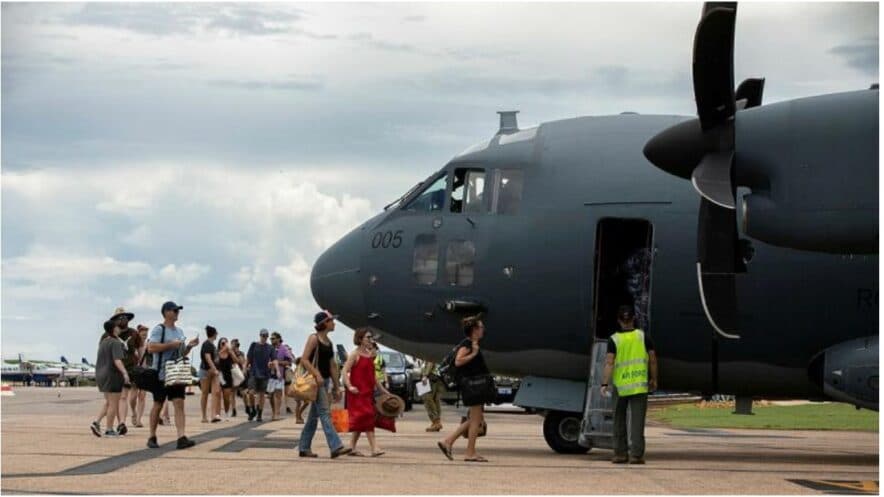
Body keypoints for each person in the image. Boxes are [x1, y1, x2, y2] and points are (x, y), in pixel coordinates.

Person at [601, 305, 657, 464]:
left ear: (619, 320)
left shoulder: (614, 339)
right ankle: (636, 455)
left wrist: (604, 383)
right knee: (637, 421)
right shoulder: (643, 336)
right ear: (634, 319)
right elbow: (652, 359)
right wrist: (654, 379)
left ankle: (620, 454)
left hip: (621, 386)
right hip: (640, 385)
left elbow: (609, 362)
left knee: (618, 420)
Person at [297, 310, 351, 458]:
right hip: (316, 382)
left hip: (325, 381)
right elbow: (304, 359)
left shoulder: (328, 342)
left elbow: (332, 365)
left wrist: (336, 385)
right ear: (324, 323)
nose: (334, 323)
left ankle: (304, 447)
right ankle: (336, 446)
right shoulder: (314, 339)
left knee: (313, 416)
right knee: (325, 413)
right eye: (331, 320)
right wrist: (317, 374)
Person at [146, 301, 199, 450]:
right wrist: (170, 345)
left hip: (177, 372)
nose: (177, 313)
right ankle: (152, 436)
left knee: (179, 404)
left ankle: (181, 437)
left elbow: (181, 352)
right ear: (166, 312)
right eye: (175, 310)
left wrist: (189, 346)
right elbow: (151, 348)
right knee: (158, 404)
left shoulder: (180, 331)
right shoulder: (159, 329)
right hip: (161, 373)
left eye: (178, 310)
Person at [437, 316, 490, 463]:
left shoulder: (471, 343)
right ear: (474, 330)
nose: (483, 330)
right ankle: (469, 452)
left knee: (475, 418)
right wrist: (473, 354)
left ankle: (448, 441)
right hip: (474, 386)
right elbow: (458, 361)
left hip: (475, 385)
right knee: (475, 420)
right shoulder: (467, 344)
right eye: (481, 327)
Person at [342, 328, 391, 457]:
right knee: (368, 417)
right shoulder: (354, 355)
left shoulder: (370, 355)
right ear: (360, 339)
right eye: (368, 338)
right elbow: (344, 371)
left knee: (361, 421)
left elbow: (373, 377)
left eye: (371, 338)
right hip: (357, 393)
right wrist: (350, 386)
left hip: (368, 393)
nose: (371, 340)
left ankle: (351, 447)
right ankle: (374, 448)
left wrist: (384, 391)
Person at [93, 319, 131, 437]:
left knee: (109, 402)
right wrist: (125, 373)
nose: (119, 328)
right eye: (117, 327)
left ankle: (96, 422)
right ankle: (109, 429)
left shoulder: (104, 341)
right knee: (114, 404)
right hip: (112, 375)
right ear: (114, 329)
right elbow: (117, 360)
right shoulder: (115, 342)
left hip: (101, 375)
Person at [245, 329, 273, 422]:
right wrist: (244, 368)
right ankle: (252, 409)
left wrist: (273, 365)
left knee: (261, 394)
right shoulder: (253, 345)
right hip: (253, 372)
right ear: (260, 335)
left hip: (265, 373)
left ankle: (259, 414)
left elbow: (274, 359)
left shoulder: (270, 347)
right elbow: (248, 358)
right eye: (263, 335)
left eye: (266, 336)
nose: (264, 337)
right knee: (251, 393)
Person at [199, 325, 222, 423]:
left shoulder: (212, 345)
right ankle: (204, 416)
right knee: (205, 393)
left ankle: (213, 415)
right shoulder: (207, 344)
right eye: (216, 333)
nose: (217, 335)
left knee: (216, 392)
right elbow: (208, 358)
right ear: (214, 334)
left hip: (213, 371)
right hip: (206, 371)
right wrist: (214, 369)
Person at [268, 332, 293, 421]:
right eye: (271, 339)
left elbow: (289, 362)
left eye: (273, 338)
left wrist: (278, 363)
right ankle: (274, 411)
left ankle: (277, 413)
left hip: (280, 375)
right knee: (270, 395)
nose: (271, 340)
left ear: (278, 339)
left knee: (278, 395)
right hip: (269, 375)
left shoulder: (284, 349)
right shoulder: (269, 348)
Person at [130, 325, 149, 427]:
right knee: (133, 396)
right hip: (135, 371)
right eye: (143, 334)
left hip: (145, 371)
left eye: (146, 334)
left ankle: (138, 419)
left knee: (142, 396)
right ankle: (133, 412)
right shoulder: (134, 345)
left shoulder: (148, 344)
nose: (144, 336)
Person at [419, 359, 444, 432]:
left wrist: (425, 375)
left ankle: (436, 422)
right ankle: (436, 422)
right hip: (437, 377)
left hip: (431, 377)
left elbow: (430, 360)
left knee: (427, 399)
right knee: (435, 400)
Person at [216, 337, 237, 419]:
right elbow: (216, 361)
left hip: (228, 377)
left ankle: (227, 412)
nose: (224, 344)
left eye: (225, 343)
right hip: (219, 376)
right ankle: (217, 414)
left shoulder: (230, 352)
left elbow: (236, 361)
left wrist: (231, 352)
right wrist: (222, 351)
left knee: (226, 398)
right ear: (220, 344)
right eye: (222, 343)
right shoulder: (218, 353)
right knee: (217, 394)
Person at [230, 339, 246, 417]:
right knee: (232, 393)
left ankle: (247, 407)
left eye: (234, 345)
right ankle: (234, 410)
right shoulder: (229, 353)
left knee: (243, 393)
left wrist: (237, 352)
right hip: (232, 374)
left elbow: (242, 362)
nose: (233, 346)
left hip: (239, 375)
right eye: (232, 344)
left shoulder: (241, 353)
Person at [293, 357, 309, 424]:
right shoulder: (300, 368)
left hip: (298, 386)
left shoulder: (297, 368)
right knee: (303, 402)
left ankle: (298, 416)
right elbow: (301, 377)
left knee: (301, 403)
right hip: (300, 386)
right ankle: (298, 417)